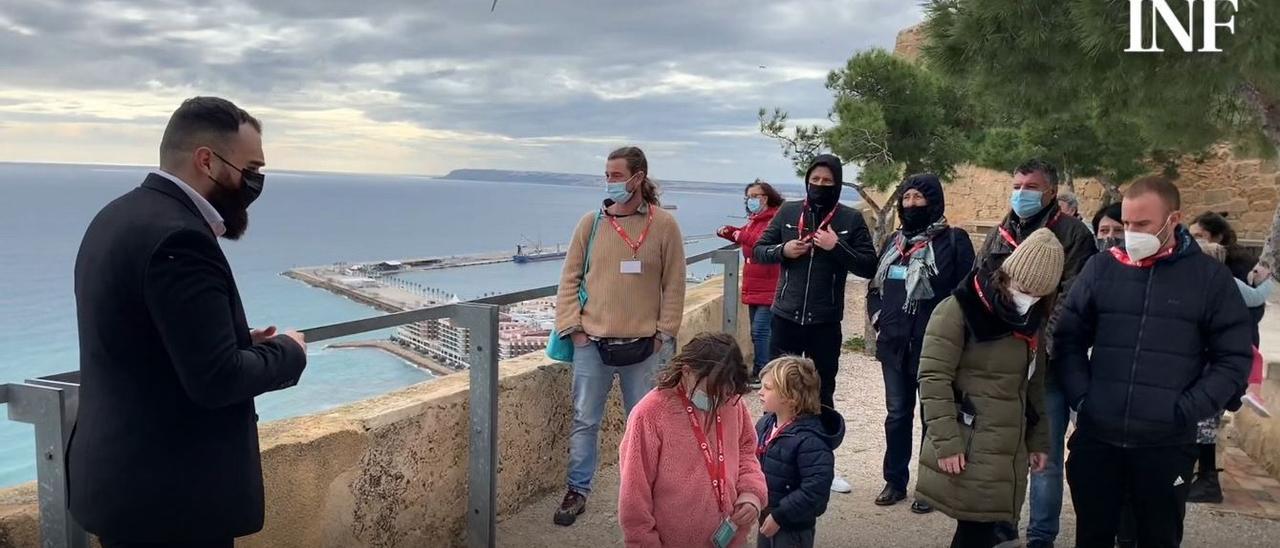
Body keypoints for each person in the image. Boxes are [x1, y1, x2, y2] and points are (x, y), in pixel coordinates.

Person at [68, 97, 309, 547]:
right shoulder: (181, 238)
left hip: (121, 485)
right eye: (251, 167)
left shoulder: (115, 216)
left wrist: (236, 338)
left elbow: (142, 338)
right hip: (172, 504)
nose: (255, 182)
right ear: (206, 160)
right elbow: (217, 379)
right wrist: (288, 352)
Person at [1055, 176, 1253, 547]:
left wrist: (1186, 410)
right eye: (1127, 223)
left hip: (1165, 446)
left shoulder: (1209, 280)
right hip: (1099, 439)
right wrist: (1083, 399)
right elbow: (1068, 340)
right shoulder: (1102, 269)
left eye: (1142, 225)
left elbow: (1233, 358)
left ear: (1173, 219)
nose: (1129, 233)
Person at [552, 146, 688, 526]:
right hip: (592, 344)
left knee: (644, 424)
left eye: (616, 175)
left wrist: (664, 334)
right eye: (607, 174)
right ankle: (577, 490)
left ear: (637, 178)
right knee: (584, 420)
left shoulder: (663, 225)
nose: (610, 182)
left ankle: (644, 493)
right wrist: (574, 329)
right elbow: (569, 280)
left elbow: (674, 284)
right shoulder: (590, 224)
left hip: (645, 347)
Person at [915, 228, 1063, 548]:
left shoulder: (1032, 320)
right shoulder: (958, 310)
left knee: (988, 532)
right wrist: (947, 443)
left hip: (1007, 451)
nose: (1029, 298)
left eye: (1039, 295)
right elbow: (933, 378)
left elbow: (1034, 387)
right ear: (1007, 274)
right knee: (976, 532)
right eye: (1024, 289)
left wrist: (1039, 442)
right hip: (970, 444)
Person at [976, 159, 1096, 548]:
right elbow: (979, 283)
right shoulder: (1000, 233)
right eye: (1017, 184)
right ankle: (1002, 523)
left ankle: (1041, 535)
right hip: (1002, 362)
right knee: (1002, 450)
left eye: (1030, 186)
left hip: (1049, 366)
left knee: (1042, 455)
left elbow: (1074, 299)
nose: (1021, 192)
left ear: (1049, 192)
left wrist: (1038, 347)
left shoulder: (1074, 235)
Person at [753, 153, 878, 494]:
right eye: (815, 180)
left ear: (837, 184)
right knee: (776, 390)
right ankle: (769, 462)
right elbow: (759, 250)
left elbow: (869, 265)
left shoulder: (850, 219)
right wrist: (783, 250)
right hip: (786, 317)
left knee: (822, 393)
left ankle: (821, 466)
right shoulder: (790, 212)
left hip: (824, 321)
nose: (820, 186)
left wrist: (837, 247)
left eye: (827, 181)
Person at [866, 174, 974, 513]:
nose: (911, 204)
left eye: (918, 197)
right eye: (907, 197)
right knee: (897, 415)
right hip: (894, 345)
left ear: (934, 200)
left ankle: (929, 487)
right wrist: (878, 318)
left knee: (934, 417)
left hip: (935, 348)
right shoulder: (892, 244)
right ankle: (895, 481)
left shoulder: (954, 241)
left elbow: (966, 293)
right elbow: (874, 289)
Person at [618, 332, 767, 548]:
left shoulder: (731, 401)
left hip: (731, 538)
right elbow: (634, 492)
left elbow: (746, 450)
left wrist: (751, 494)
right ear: (687, 371)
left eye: (727, 392)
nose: (721, 399)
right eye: (713, 390)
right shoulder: (650, 414)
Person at [755, 356, 844, 548]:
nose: (760, 392)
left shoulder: (810, 441)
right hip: (766, 518)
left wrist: (780, 516)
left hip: (792, 528)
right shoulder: (765, 424)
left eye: (768, 388)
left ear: (792, 397)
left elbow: (816, 490)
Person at [717, 180, 786, 387]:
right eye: (749, 196)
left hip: (770, 283)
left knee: (761, 330)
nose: (752, 200)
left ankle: (762, 370)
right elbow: (748, 236)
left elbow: (759, 241)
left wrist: (739, 234)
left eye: (757, 196)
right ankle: (766, 369)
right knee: (759, 331)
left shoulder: (775, 219)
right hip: (754, 283)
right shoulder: (755, 220)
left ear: (767, 197)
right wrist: (730, 231)